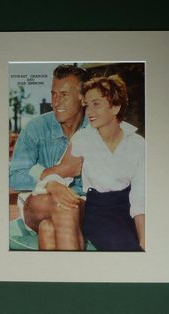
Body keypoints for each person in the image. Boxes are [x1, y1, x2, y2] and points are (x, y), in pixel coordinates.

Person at [38, 75, 145, 251]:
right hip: (98, 212)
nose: (88, 112)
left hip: (128, 210)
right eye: (87, 105)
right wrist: (52, 184)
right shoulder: (83, 139)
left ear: (116, 107)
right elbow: (60, 172)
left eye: (96, 104)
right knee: (123, 247)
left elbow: (140, 197)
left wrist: (144, 238)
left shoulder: (138, 143)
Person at [9, 64, 88, 250]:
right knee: (65, 205)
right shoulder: (35, 128)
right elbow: (15, 175)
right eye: (53, 94)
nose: (56, 101)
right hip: (37, 202)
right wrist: (54, 178)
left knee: (48, 228)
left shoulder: (95, 128)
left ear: (83, 98)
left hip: (84, 203)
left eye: (64, 94)